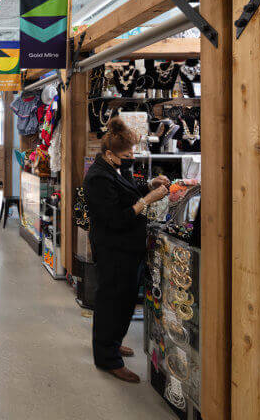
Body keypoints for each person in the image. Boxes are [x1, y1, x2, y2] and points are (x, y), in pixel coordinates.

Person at [83, 117, 169, 383]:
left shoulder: (117, 169)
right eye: (127, 155)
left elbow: (127, 193)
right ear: (109, 154)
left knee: (125, 299)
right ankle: (107, 358)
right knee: (111, 301)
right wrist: (147, 200)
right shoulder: (98, 178)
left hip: (127, 248)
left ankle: (112, 341)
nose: (131, 158)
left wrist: (149, 186)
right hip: (112, 248)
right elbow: (115, 218)